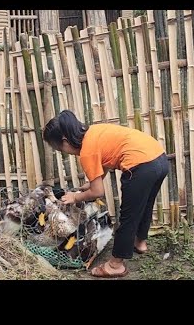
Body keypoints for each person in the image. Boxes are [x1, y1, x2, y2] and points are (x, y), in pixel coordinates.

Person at [43, 110, 169, 278]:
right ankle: (140, 243)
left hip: (140, 166)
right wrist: (93, 181)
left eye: (59, 148)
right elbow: (107, 160)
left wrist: (75, 197)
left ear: (65, 140)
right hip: (159, 158)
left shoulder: (86, 152)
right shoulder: (93, 132)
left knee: (128, 216)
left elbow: (97, 192)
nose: (63, 152)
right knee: (145, 205)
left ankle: (116, 265)